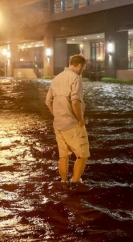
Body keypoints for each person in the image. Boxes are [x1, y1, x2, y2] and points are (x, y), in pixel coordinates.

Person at [45, 54, 90, 190]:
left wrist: (57, 115)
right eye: (83, 68)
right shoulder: (76, 78)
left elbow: (48, 101)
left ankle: (64, 182)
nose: (83, 70)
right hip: (72, 125)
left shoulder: (56, 78)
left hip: (58, 124)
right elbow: (75, 102)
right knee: (83, 154)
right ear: (80, 66)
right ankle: (75, 183)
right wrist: (81, 120)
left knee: (63, 156)